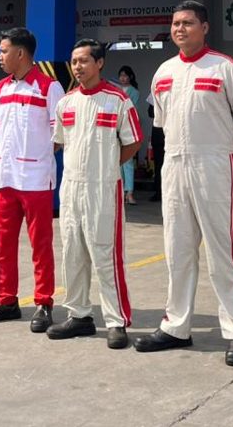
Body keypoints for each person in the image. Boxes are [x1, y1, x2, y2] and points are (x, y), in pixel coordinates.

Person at [135, 1, 233, 366]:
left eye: (188, 23)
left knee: (223, 249)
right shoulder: (164, 71)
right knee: (177, 249)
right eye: (176, 23)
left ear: (204, 28)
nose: (180, 29)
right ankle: (176, 326)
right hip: (175, 164)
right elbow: (161, 123)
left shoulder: (226, 67)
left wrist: (223, 148)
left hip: (215, 163)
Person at [49, 40, 142, 349]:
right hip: (71, 188)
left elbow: (133, 141)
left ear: (99, 63)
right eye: (74, 61)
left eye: (84, 61)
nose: (78, 66)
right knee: (72, 254)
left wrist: (107, 165)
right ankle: (79, 315)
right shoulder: (66, 102)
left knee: (106, 255)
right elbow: (59, 142)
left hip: (103, 188)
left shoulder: (117, 100)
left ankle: (116, 321)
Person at [0, 28, 65, 332]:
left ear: (21, 53)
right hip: (7, 178)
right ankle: (7, 300)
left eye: (3, 51)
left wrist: (37, 156)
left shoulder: (49, 87)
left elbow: (58, 136)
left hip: (36, 180)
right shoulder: (1, 88)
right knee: (4, 243)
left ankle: (44, 302)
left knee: (40, 244)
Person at [116, 65, 141, 205]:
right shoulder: (116, 90)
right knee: (118, 161)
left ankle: (129, 191)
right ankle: (121, 191)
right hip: (116, 128)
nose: (123, 78)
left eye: (125, 75)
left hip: (128, 128)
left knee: (128, 161)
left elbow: (133, 110)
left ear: (130, 77)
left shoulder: (134, 92)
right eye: (121, 75)